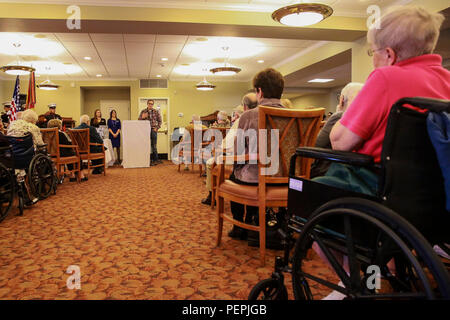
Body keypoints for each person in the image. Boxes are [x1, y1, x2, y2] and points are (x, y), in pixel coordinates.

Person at [313, 6, 450, 300]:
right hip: (436, 195)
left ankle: (353, 284)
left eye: (372, 52)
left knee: (309, 204)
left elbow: (340, 142)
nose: (373, 59)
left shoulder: (385, 79)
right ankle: (388, 269)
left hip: (380, 190)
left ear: (389, 54)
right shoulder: (447, 82)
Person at [228, 68, 286, 240]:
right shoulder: (299, 116)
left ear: (259, 91)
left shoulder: (249, 116)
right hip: (289, 178)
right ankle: (257, 221)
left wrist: (235, 166)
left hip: (257, 177)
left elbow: (239, 152)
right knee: (250, 170)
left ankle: (240, 225)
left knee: (238, 173)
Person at [201, 95, 256, 206]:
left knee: (209, 162)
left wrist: (219, 151)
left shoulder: (241, 121)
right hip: (265, 164)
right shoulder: (263, 117)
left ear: (244, 108)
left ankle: (211, 196)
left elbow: (228, 146)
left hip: (239, 161)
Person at [310, 82, 364, 178]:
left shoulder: (339, 116)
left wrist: (338, 112)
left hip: (326, 170)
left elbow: (316, 144)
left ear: (341, 99)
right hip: (352, 170)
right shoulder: (364, 118)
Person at [7, 109, 43, 205]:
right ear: (33, 120)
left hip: (11, 156)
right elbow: (40, 144)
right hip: (26, 157)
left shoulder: (12, 125)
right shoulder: (33, 127)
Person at [139, 99, 162, 166]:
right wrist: (142, 118)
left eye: (152, 104)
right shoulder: (143, 111)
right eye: (149, 103)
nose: (150, 105)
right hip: (145, 130)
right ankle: (146, 160)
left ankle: (155, 160)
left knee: (154, 145)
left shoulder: (156, 111)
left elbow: (160, 121)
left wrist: (157, 128)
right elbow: (139, 120)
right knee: (145, 145)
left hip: (153, 130)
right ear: (147, 104)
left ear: (153, 105)